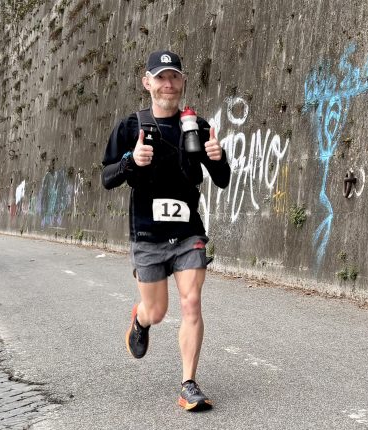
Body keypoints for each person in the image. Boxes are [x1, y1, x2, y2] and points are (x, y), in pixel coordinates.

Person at [101, 50, 231, 411]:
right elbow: (107, 177)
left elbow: (222, 179)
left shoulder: (197, 126)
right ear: (147, 83)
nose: (168, 84)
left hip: (188, 232)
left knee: (191, 302)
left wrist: (218, 157)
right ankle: (141, 319)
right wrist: (130, 161)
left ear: (183, 81)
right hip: (147, 235)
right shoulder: (131, 126)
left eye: (174, 76)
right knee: (157, 311)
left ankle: (189, 384)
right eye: (161, 77)